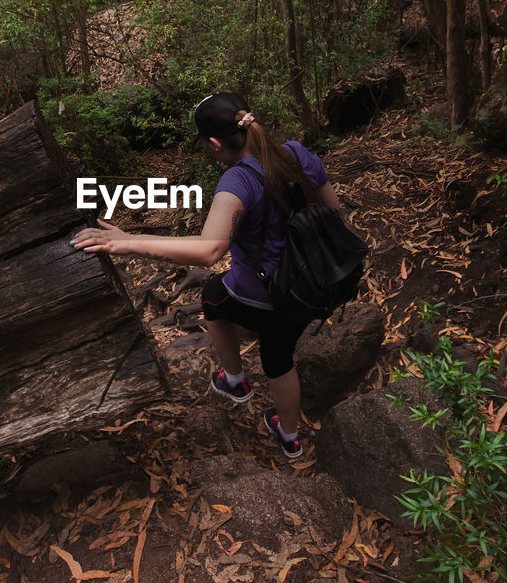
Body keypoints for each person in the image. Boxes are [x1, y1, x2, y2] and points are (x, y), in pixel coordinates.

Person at [70, 92, 344, 459]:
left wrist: (128, 241)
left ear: (215, 143)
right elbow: (334, 210)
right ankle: (290, 435)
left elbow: (209, 251)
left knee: (214, 295)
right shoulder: (295, 152)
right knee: (279, 353)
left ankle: (234, 380)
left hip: (271, 294)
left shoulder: (238, 182)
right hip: (315, 284)